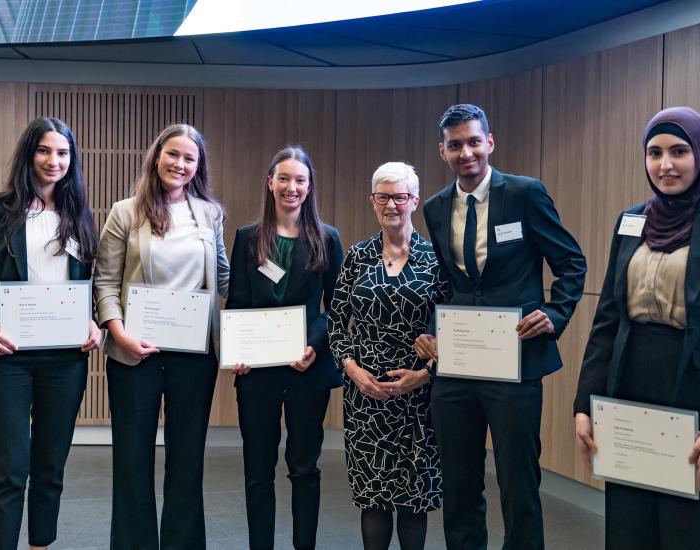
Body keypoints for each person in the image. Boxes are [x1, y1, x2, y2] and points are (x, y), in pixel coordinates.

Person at [573, 106, 700, 550]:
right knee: (629, 529)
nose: (665, 165)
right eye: (654, 152)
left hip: (698, 393)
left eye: (679, 151)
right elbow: (607, 321)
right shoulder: (631, 221)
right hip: (629, 388)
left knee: (689, 531)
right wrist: (585, 404)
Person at [414, 104, 587, 550]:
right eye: (456, 145)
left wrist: (556, 313)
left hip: (515, 361)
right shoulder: (434, 208)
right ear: (443, 151)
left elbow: (571, 262)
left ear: (490, 142)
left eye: (474, 141)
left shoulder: (526, 194)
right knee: (459, 482)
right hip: (457, 363)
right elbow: (448, 283)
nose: (466, 152)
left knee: (518, 482)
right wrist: (433, 330)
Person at [0, 117, 101, 550]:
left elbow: (87, 286)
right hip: (6, 357)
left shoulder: (80, 215)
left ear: (71, 159)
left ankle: (41, 545)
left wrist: (94, 321)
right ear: (29, 154)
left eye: (62, 153)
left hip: (64, 359)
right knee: (8, 468)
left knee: (49, 467)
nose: (54, 160)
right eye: (44, 150)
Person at [92, 123, 229, 549]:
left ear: (198, 167)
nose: (180, 164)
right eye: (174, 154)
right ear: (157, 156)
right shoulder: (124, 212)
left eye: (190, 159)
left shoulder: (209, 214)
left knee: (187, 461)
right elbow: (104, 282)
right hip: (136, 353)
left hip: (194, 354)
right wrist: (119, 334)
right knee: (132, 460)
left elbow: (224, 276)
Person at [226, 146, 344, 550]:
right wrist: (235, 348)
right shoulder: (246, 238)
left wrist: (312, 345)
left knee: (304, 469)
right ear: (270, 183)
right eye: (284, 179)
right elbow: (237, 302)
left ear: (309, 187)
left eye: (300, 180)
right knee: (257, 470)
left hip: (305, 369)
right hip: (256, 371)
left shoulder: (327, 239)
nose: (291, 187)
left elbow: (337, 308)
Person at [328, 162, 446, 550]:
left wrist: (426, 374)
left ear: (414, 200)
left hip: (418, 399)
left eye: (400, 196)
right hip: (365, 398)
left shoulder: (435, 257)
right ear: (372, 201)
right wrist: (352, 371)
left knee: (415, 504)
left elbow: (454, 327)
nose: (392, 204)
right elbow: (334, 322)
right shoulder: (357, 256)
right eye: (384, 196)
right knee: (373, 501)